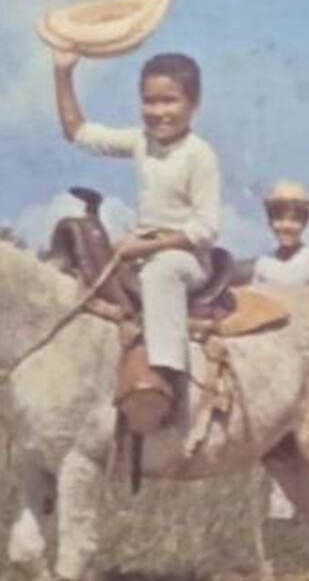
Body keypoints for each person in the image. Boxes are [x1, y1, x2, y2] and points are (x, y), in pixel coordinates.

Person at [52, 49, 219, 410]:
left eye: (169, 101)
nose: (158, 111)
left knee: (161, 273)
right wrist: (63, 73)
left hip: (185, 258)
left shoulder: (199, 154)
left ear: (194, 103)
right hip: (142, 248)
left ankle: (165, 378)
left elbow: (206, 229)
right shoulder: (141, 141)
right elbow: (79, 133)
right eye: (149, 101)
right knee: (85, 256)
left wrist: (143, 248)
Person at [252, 179, 309, 520]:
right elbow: (254, 306)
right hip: (272, 351)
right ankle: (282, 507)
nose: (286, 226)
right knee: (273, 429)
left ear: (305, 223)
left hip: (308, 352)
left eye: (294, 220)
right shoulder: (264, 263)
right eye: (279, 218)